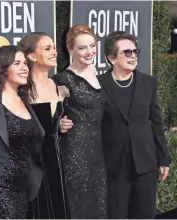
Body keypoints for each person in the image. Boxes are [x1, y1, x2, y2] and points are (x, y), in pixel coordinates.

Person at [97, 31, 171, 218]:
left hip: (145, 163)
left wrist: (163, 159)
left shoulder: (148, 83)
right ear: (111, 58)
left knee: (145, 214)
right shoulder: (98, 84)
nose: (133, 56)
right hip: (114, 166)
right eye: (127, 53)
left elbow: (156, 121)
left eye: (135, 51)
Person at [0, 45, 45, 219]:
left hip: (25, 188)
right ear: (2, 68)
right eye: (17, 63)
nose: (24, 68)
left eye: (25, 63)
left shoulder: (24, 99)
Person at [52, 24, 107, 219]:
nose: (89, 52)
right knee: (79, 206)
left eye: (92, 46)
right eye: (82, 47)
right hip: (75, 152)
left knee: (99, 205)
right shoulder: (62, 80)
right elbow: (46, 117)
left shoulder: (103, 77)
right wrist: (57, 125)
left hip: (100, 153)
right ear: (71, 50)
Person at [18, 32, 70, 219]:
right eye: (47, 48)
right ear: (31, 56)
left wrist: (60, 125)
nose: (54, 52)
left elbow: (52, 125)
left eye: (54, 48)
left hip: (55, 160)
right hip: (31, 165)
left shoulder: (57, 86)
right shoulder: (21, 89)